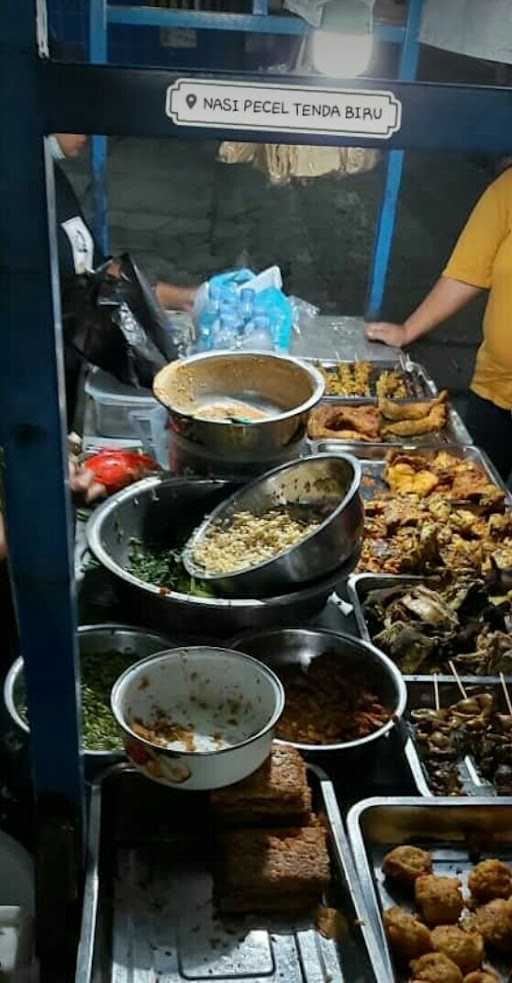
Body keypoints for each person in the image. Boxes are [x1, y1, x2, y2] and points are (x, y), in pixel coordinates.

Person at [365, 167, 512, 479]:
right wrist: (408, 330)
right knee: (469, 496)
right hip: (496, 391)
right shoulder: (507, 190)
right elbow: (466, 271)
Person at [51, 133, 197, 418]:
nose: (87, 134)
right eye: (77, 122)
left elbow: (97, 270)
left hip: (69, 364)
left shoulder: (51, 178)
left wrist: (187, 298)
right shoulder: (16, 192)